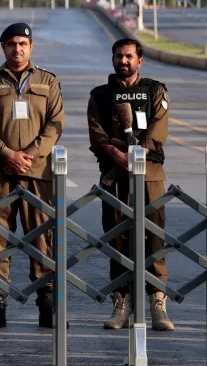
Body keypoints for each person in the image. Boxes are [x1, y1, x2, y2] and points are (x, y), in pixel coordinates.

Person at [0, 22, 65, 329]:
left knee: (41, 236)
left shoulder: (47, 81)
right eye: (11, 44)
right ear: (3, 47)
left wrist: (30, 155)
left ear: (31, 47)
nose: (17, 49)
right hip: (0, 171)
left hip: (37, 173)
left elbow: (55, 124)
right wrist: (7, 154)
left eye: (23, 44)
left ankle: (47, 302)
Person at [87, 38, 174, 332]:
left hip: (149, 175)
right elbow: (96, 133)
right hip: (115, 175)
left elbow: (159, 127)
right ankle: (121, 302)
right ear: (112, 59)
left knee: (154, 238)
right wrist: (115, 152)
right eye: (118, 56)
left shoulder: (155, 90)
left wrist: (140, 152)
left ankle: (157, 302)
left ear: (140, 61)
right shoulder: (100, 95)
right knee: (117, 238)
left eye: (129, 56)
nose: (123, 61)